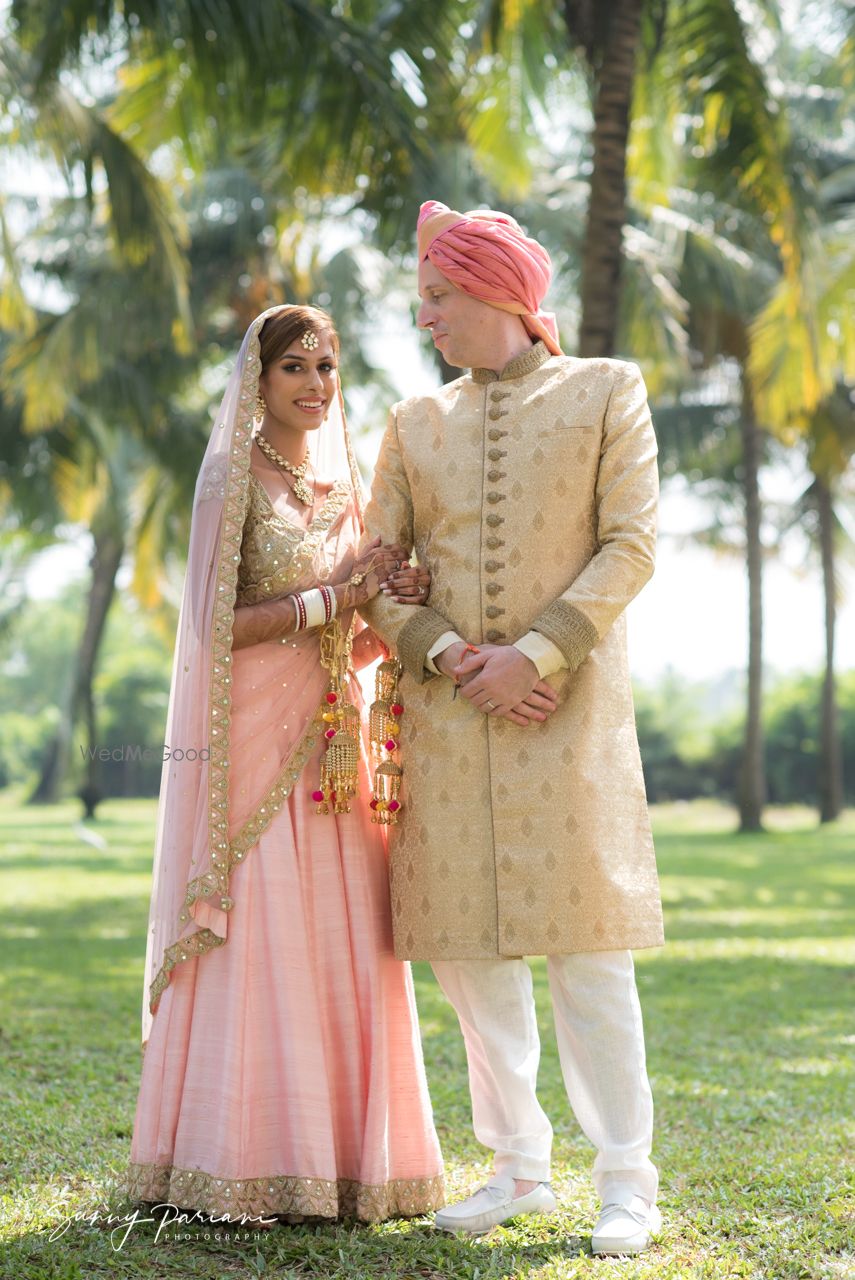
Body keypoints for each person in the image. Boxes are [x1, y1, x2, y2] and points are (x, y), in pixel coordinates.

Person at [360, 202, 664, 1256]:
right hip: (448, 722)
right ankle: (518, 1167)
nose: (425, 314)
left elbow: (631, 544)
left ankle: (627, 1177)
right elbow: (377, 578)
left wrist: (531, 656)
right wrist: (454, 657)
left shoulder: (606, 390)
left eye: (438, 295)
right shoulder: (414, 422)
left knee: (588, 956)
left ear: (496, 288)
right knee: (471, 960)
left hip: (566, 714)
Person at [127, 303, 444, 1226]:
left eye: (328, 367)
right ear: (257, 381)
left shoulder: (347, 489)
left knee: (342, 934)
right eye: (295, 368)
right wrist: (327, 602)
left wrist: (389, 599)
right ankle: (235, 1160)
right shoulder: (231, 478)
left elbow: (356, 641)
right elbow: (211, 625)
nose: (315, 385)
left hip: (332, 749)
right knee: (259, 932)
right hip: (251, 749)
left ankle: (344, 1166)